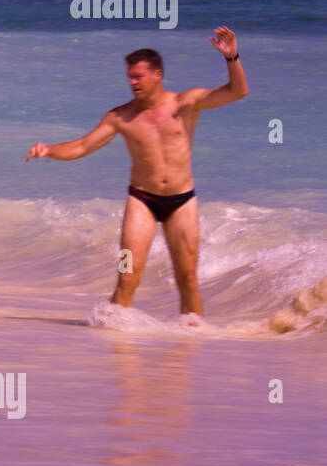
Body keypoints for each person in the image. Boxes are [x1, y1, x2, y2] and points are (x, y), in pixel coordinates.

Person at [25, 27, 248, 316]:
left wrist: (232, 58)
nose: (132, 82)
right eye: (129, 76)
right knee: (127, 276)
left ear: (157, 75)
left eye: (138, 76)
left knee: (189, 281)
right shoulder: (121, 116)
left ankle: (190, 344)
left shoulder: (186, 104)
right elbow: (82, 146)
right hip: (141, 202)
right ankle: (115, 339)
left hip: (182, 202)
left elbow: (238, 92)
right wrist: (49, 150)